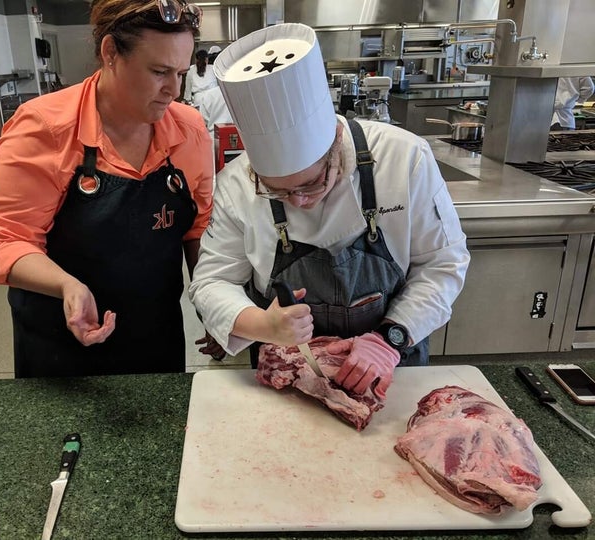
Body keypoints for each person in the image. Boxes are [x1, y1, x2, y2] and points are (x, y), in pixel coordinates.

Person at [189, 23, 470, 398]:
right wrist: (263, 325)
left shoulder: (405, 159)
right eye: (277, 191)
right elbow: (211, 282)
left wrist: (389, 338)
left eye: (311, 184)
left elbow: (443, 264)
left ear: (337, 141)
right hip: (286, 375)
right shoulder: (237, 183)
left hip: (392, 366)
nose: (298, 202)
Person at [0, 0, 215, 378]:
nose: (173, 89)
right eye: (159, 71)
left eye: (182, 73)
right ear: (110, 53)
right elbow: (6, 241)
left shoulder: (189, 131)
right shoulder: (44, 127)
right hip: (61, 343)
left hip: (158, 337)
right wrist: (68, 286)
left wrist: (215, 307)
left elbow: (195, 230)